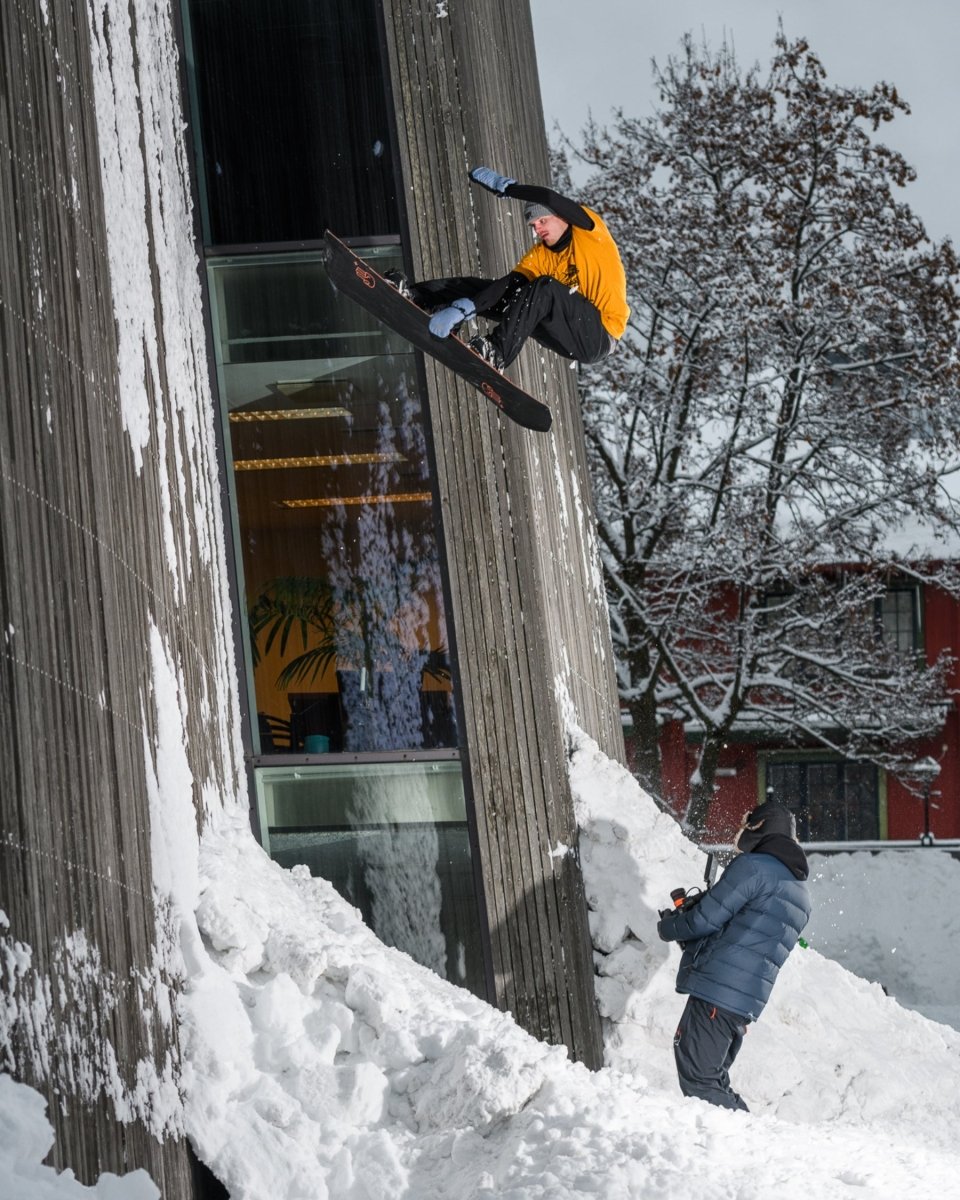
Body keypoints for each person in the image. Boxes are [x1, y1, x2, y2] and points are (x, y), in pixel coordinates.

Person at [392, 166, 629, 371]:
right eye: (534, 225)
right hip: (562, 331)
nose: (538, 229)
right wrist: (469, 306)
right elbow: (506, 286)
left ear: (561, 217)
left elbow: (550, 197)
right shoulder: (540, 256)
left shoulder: (589, 232)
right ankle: (415, 296)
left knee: (543, 287)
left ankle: (497, 353)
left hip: (599, 335)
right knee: (492, 290)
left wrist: (509, 188)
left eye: (542, 221)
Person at [656, 802, 811, 1112]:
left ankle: (751, 1144)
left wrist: (670, 926)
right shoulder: (799, 891)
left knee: (699, 1078)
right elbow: (745, 936)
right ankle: (740, 1143)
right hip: (743, 1000)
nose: (738, 832)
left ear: (760, 828)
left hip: (718, 990)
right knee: (712, 1078)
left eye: (745, 824)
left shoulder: (753, 867)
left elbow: (704, 921)